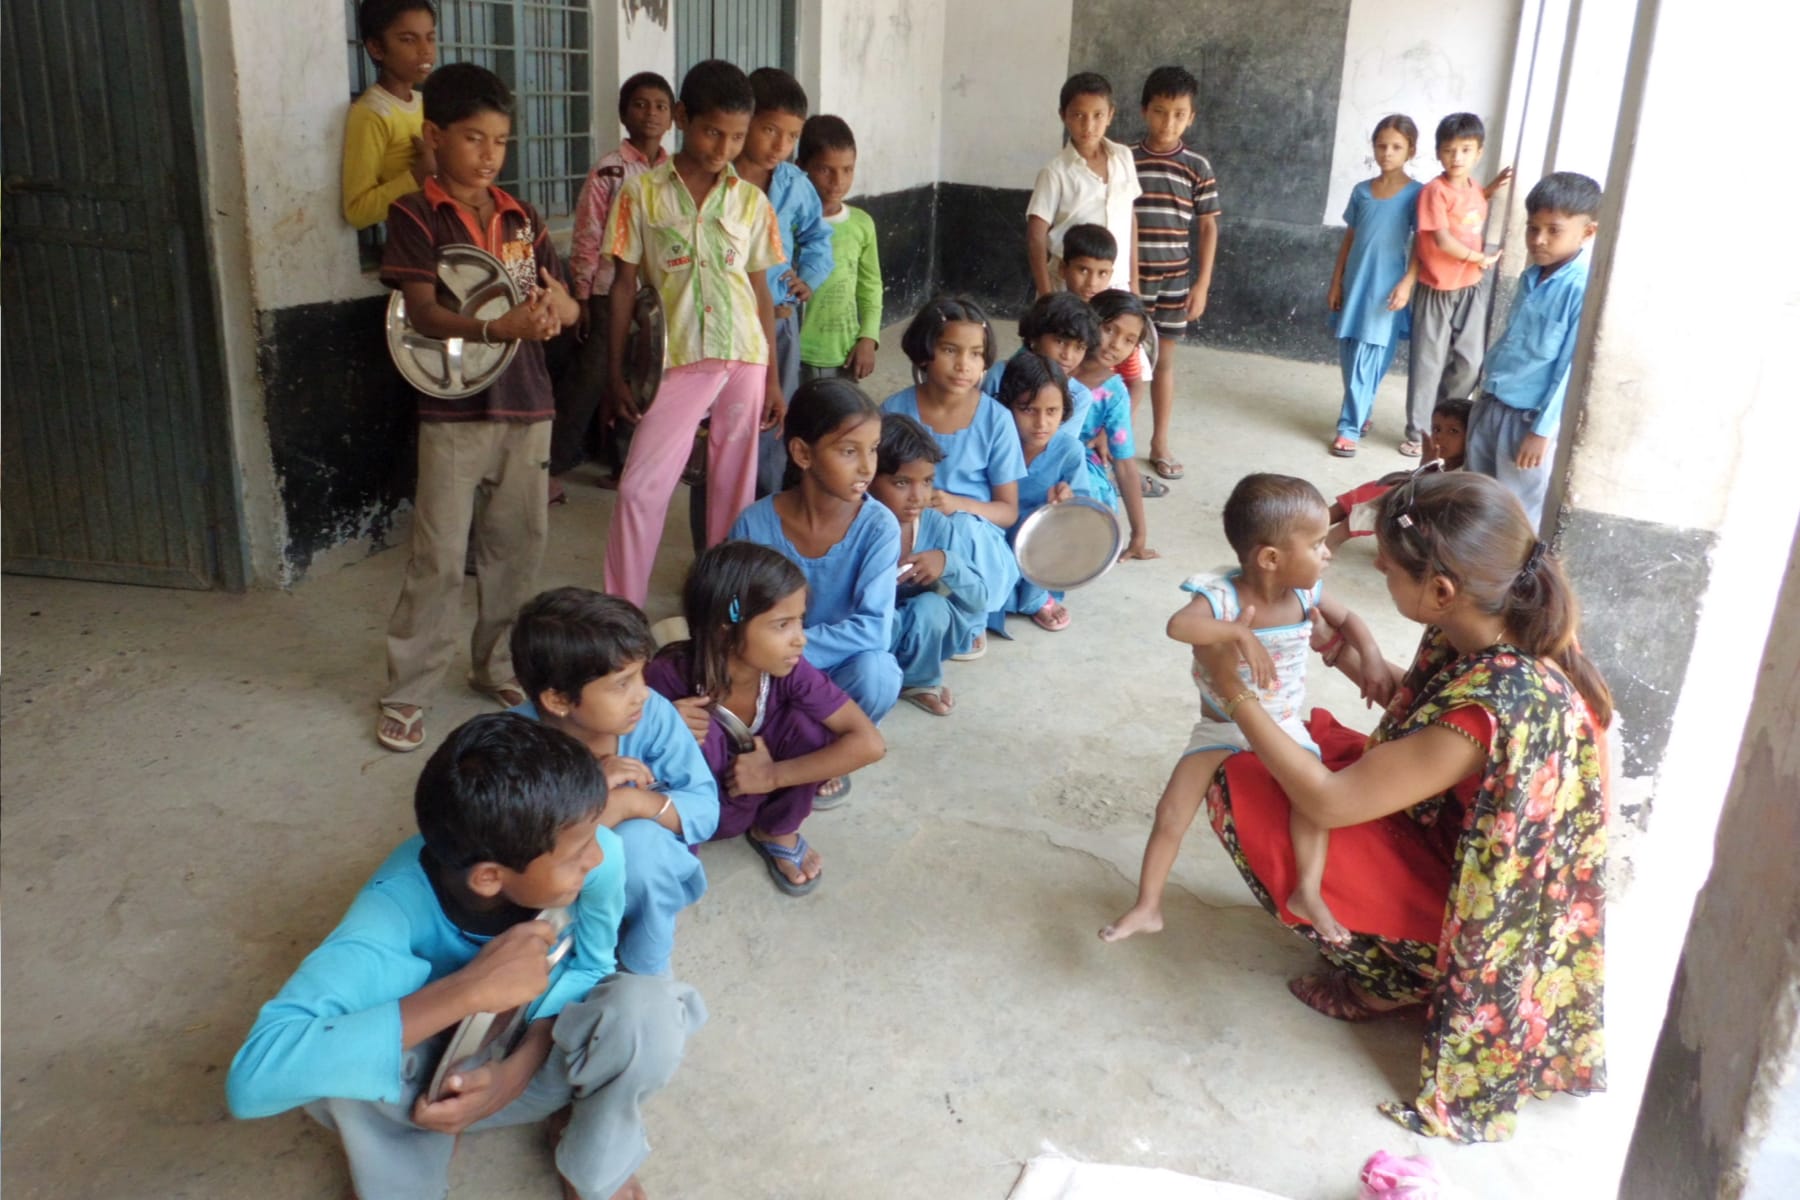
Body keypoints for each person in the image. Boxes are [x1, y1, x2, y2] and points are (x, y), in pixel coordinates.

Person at [1191, 471, 1610, 1142]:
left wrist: (1232, 690)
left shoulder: (1490, 706)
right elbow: (1428, 725)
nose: (1376, 576)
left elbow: (1327, 804)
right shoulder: (1498, 619)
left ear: (1439, 591)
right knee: (1310, 746)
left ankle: (1394, 977)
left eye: (1387, 572)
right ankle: (1393, 947)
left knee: (1241, 781)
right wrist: (1367, 665)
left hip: (1475, 903)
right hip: (1461, 836)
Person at [226, 713, 706, 1200]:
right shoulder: (390, 917)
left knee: (649, 1013)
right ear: (490, 877)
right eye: (577, 851)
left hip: (534, 1056)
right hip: (437, 1087)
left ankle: (592, 1157)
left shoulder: (594, 850)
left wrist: (515, 1075)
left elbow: (592, 966)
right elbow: (253, 1079)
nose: (597, 857)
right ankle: (405, 1173)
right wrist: (467, 989)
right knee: (343, 1065)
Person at [375, 63, 582, 753]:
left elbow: (564, 299)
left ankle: (495, 663)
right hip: (452, 412)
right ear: (435, 136)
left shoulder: (521, 220)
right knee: (436, 557)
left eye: (500, 140)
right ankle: (407, 690)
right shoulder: (415, 215)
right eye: (473, 138)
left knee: (517, 550)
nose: (490, 153)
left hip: (528, 407)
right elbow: (424, 313)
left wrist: (560, 308)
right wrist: (499, 330)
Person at [1101, 473, 1391, 945]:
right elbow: (1179, 627)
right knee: (1172, 811)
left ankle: (1307, 891)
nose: (1327, 552)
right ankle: (1147, 905)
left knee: (1313, 803)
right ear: (1271, 558)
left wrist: (1372, 657)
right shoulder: (1222, 595)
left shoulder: (1306, 594)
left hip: (1281, 725)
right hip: (1220, 726)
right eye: (1317, 543)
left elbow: (1350, 621)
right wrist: (1237, 633)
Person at [600, 59, 785, 608]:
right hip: (676, 357)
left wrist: (773, 376)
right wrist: (614, 371)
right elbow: (623, 286)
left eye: (735, 137)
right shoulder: (642, 194)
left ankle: (721, 612)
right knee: (640, 488)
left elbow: (761, 293)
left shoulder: (751, 201)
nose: (723, 147)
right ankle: (622, 611)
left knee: (732, 494)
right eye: (711, 132)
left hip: (744, 357)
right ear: (683, 117)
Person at [647, 542, 885, 893]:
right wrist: (661, 726)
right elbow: (613, 747)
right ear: (724, 627)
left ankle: (776, 827)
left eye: (800, 621)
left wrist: (772, 776)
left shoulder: (788, 671)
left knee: (811, 725)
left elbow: (869, 743)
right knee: (694, 730)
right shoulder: (668, 676)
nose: (800, 639)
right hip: (702, 809)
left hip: (757, 788)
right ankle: (677, 857)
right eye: (782, 625)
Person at [509, 588, 721, 979]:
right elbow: (515, 855)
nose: (642, 692)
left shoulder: (651, 714)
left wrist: (629, 804)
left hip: (641, 870)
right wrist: (592, 799)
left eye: (641, 673)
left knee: (641, 845)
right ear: (557, 700)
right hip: (551, 885)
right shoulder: (513, 746)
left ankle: (643, 968)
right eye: (621, 683)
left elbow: (705, 811)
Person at [731, 379, 902, 729]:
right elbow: (732, 613)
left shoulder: (879, 527)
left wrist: (790, 646)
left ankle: (823, 749)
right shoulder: (754, 524)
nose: (868, 468)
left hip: (837, 668)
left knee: (878, 673)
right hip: (766, 668)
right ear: (803, 454)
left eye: (873, 449)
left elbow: (874, 630)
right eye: (849, 451)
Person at [881, 295, 1027, 660]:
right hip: (907, 519)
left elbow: (1007, 511)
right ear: (925, 351)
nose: (964, 364)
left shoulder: (995, 419)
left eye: (976, 354)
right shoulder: (895, 410)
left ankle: (968, 616)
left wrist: (955, 504)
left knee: (961, 527)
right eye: (950, 350)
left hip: (973, 535)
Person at [553, 71, 675, 481]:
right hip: (608, 291)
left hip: (657, 295)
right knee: (593, 377)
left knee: (646, 376)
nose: (651, 113)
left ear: (673, 116)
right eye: (640, 104)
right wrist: (584, 297)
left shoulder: (676, 172)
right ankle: (554, 460)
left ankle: (626, 464)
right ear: (624, 113)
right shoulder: (609, 170)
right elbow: (588, 234)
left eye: (660, 106)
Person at [1465, 172, 1602, 526]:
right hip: (1493, 404)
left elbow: (1569, 369)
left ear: (1588, 232)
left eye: (1553, 230)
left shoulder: (1579, 289)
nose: (1538, 240)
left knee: (1515, 516)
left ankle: (1512, 581)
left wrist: (1541, 432)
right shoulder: (1531, 277)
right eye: (1532, 228)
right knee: (1477, 499)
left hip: (1526, 423)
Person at [868, 414, 1022, 715]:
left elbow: (979, 599)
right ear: (870, 478)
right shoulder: (856, 525)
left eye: (926, 482)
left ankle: (918, 680)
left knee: (933, 609)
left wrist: (948, 563)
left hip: (911, 632)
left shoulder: (937, 527)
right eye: (901, 483)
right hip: (867, 633)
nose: (917, 497)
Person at [735, 67, 835, 498]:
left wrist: (806, 279)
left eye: (792, 136)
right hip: (728, 326)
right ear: (747, 122)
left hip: (778, 320)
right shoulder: (723, 180)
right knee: (725, 432)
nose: (781, 145)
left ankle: (765, 514)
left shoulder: (794, 184)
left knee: (775, 421)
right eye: (770, 129)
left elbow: (818, 238)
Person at [1403, 112, 1513, 457]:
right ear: (1438, 153)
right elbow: (1443, 240)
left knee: (1469, 361)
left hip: (1470, 287)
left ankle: (1444, 419)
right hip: (1436, 288)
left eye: (1466, 150)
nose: (1457, 158)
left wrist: (1491, 188)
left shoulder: (1473, 188)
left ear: (1478, 153)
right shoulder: (1433, 192)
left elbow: (1474, 201)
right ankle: (1419, 432)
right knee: (1428, 363)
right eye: (1450, 150)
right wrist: (1478, 258)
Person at [1131, 65, 1221, 484]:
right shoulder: (1125, 160)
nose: (1169, 122)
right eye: (1161, 111)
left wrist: (1201, 284)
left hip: (1174, 282)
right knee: (1123, 361)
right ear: (1145, 111)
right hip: (1129, 280)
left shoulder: (1197, 167)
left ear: (1191, 117)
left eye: (1179, 114)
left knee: (1163, 363)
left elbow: (1207, 226)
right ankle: (1116, 445)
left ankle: (1159, 442)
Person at [1327, 114, 1423, 457]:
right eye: (1381, 145)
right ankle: (1361, 412)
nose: (1387, 152)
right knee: (1351, 353)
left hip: (1387, 287)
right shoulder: (1361, 192)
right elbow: (1349, 238)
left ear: (1410, 150)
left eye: (1396, 147)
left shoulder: (1417, 194)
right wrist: (1336, 281)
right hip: (1356, 282)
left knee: (1370, 356)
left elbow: (1422, 243)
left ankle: (1348, 427)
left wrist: (1408, 283)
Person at [1051, 224, 1165, 499]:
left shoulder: (1117, 316)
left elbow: (1136, 384)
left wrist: (1108, 432)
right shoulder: (1053, 319)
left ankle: (1113, 475)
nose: (1091, 282)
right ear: (1063, 269)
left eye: (1102, 273)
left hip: (1095, 425)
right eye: (1083, 270)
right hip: (1051, 422)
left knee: (1104, 461)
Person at [1027, 73, 1141, 300]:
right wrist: (1047, 295)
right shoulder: (1055, 172)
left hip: (1115, 283)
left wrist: (1134, 282)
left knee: (1110, 335)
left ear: (1110, 115)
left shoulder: (1123, 157)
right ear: (1063, 116)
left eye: (1098, 115)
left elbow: (1130, 219)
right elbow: (1036, 236)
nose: (1088, 125)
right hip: (1069, 285)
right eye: (1078, 115)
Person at [997, 353, 1084, 631]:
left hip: (1040, 545)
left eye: (1052, 411)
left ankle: (1036, 598)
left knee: (1054, 528)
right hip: (998, 531)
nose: (1041, 423)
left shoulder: (1070, 451)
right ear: (1006, 406)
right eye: (1028, 409)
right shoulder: (996, 442)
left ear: (1065, 411)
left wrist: (1068, 502)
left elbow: (1086, 511)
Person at [1071, 290, 1158, 560]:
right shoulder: (1053, 362)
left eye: (1129, 340)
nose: (1115, 345)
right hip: (1028, 449)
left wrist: (1139, 536)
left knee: (1093, 495)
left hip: (1078, 459)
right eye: (1109, 329)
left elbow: (1124, 464)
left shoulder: (1114, 393)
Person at [797, 115, 883, 384]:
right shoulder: (788, 224)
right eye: (825, 170)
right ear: (802, 168)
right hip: (795, 352)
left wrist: (868, 337)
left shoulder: (861, 223)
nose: (838, 181)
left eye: (847, 169)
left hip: (843, 352)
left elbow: (871, 285)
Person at [342, 0, 437, 230]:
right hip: (408, 243)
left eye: (430, 37)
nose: (425, 50)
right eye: (408, 39)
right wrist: (418, 175)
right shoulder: (372, 114)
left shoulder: (426, 103)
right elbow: (357, 210)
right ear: (376, 48)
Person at [1328, 397, 1470, 550]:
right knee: (1375, 487)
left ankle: (1332, 538)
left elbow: (1430, 496)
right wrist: (1425, 466)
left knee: (1384, 501)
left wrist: (1425, 468)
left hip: (1434, 532)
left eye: (1453, 431)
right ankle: (1320, 520)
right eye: (1436, 429)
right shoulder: (1449, 465)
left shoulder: (1465, 474)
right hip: (1424, 516)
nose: (1440, 437)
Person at [979, 290, 1102, 442]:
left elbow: (1058, 448)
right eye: (1060, 342)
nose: (1068, 356)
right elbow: (982, 429)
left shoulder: (1079, 396)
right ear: (1034, 337)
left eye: (1080, 347)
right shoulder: (999, 374)